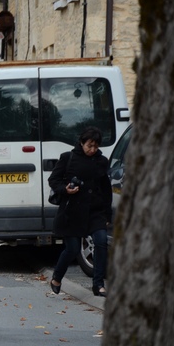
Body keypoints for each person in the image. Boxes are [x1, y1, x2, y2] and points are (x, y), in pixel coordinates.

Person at [49, 127, 112, 297]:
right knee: (72, 249)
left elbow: (106, 189)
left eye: (96, 146)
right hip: (72, 211)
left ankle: (98, 285)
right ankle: (56, 278)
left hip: (95, 211)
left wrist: (107, 214)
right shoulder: (68, 158)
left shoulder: (101, 161)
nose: (92, 150)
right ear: (81, 143)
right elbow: (53, 180)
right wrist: (65, 189)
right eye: (89, 145)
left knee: (100, 242)